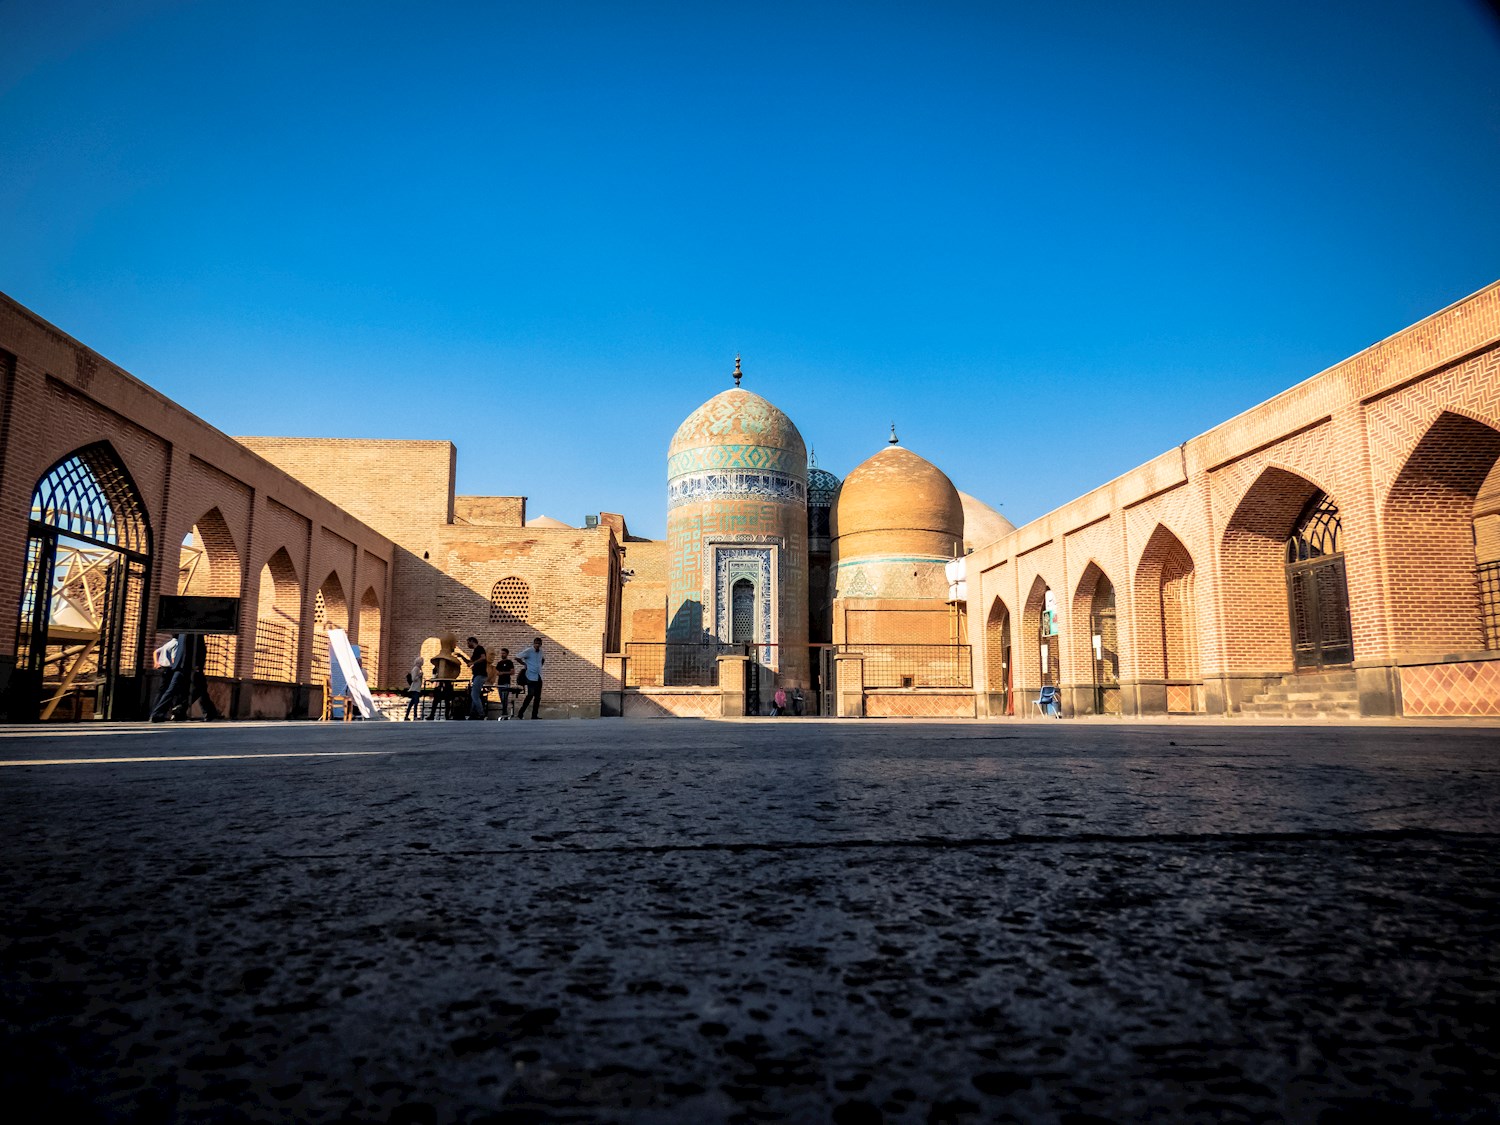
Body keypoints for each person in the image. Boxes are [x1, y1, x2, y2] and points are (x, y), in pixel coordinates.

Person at [150, 633, 222, 722]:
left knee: (199, 689)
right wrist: (198, 665)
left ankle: (209, 712)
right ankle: (168, 711)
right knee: (194, 689)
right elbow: (198, 650)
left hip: (181, 665)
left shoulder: (182, 634)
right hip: (188, 665)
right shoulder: (194, 634)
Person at [460, 636, 489, 720]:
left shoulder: (480, 648)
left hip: (481, 675)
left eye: (468, 643)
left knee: (474, 695)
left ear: (472, 641)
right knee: (474, 695)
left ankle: (481, 713)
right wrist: (461, 656)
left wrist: (474, 663)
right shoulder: (475, 652)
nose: (468, 645)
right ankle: (473, 714)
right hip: (476, 675)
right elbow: (469, 663)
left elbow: (483, 658)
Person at [517, 637, 544, 719]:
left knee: (538, 697)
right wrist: (524, 664)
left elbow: (542, 660)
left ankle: (534, 715)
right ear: (533, 643)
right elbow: (517, 657)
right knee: (530, 695)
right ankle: (520, 713)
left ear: (541, 644)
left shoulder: (541, 652)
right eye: (536, 643)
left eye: (539, 644)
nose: (537, 645)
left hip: (538, 676)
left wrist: (539, 666)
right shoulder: (529, 651)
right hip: (530, 676)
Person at [494, 647, 515, 719]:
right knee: (501, 698)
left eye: (504, 653)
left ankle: (504, 712)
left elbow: (512, 672)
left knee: (505, 698)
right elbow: (496, 672)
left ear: (507, 654)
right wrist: (498, 673)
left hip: (506, 682)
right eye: (501, 653)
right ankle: (504, 712)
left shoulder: (509, 662)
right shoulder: (499, 663)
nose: (502, 655)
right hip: (500, 683)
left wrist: (503, 673)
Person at [403, 655, 425, 721]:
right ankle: (415, 716)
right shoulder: (416, 669)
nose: (421, 664)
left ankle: (407, 716)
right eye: (420, 663)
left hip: (417, 688)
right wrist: (419, 675)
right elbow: (413, 678)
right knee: (415, 702)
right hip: (415, 688)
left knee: (412, 703)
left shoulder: (418, 669)